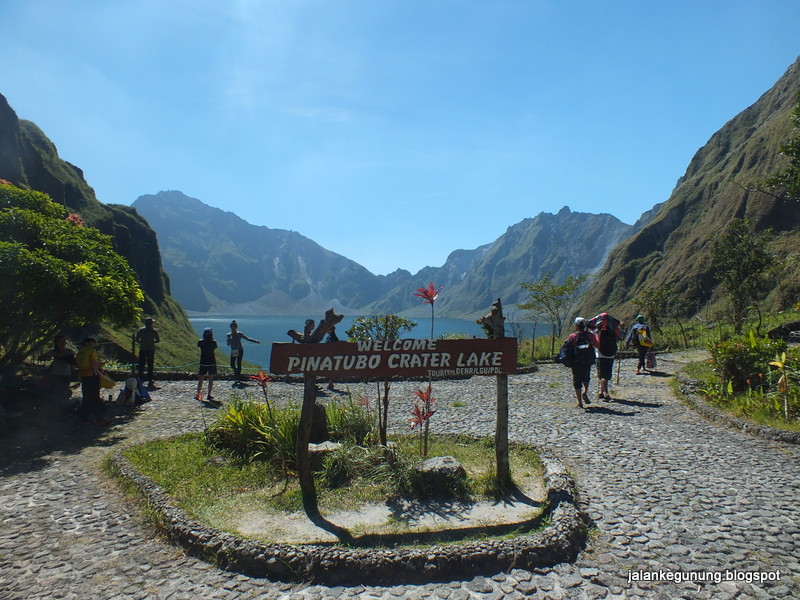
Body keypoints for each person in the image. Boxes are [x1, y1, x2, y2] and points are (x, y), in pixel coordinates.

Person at [587, 312, 622, 402]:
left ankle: (606, 393)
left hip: (600, 355)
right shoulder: (613, 330)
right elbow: (620, 336)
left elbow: (588, 325)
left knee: (602, 375)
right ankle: (602, 392)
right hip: (611, 354)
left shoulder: (597, 330)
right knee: (606, 374)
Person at [567, 318, 599, 409]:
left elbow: (567, 348)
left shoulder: (572, 336)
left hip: (576, 362)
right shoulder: (590, 335)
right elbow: (597, 345)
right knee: (586, 377)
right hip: (587, 361)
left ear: (576, 326)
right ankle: (585, 392)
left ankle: (579, 402)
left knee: (577, 381)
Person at [75, 336, 107, 425]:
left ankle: (84, 419)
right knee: (95, 397)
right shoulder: (91, 351)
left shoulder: (79, 352)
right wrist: (101, 364)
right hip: (92, 376)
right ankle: (100, 419)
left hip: (83, 376)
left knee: (86, 398)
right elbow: (93, 365)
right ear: (90, 343)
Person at [226, 320, 260, 384]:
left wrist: (255, 341)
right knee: (232, 364)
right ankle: (236, 372)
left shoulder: (239, 333)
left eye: (234, 327)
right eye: (232, 327)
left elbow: (247, 338)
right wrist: (229, 339)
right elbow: (228, 344)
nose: (233, 328)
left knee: (239, 363)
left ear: (236, 327)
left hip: (240, 350)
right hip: (234, 350)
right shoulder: (229, 335)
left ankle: (238, 376)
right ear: (230, 327)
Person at [48, 335, 76, 403]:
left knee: (65, 392)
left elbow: (71, 361)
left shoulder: (69, 351)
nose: (62, 343)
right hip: (55, 374)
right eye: (60, 342)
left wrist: (61, 356)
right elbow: (42, 357)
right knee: (56, 392)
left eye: (64, 341)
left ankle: (64, 405)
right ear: (56, 343)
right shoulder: (53, 351)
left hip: (66, 375)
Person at [135, 317, 160, 388]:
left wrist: (142, 342)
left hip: (142, 349)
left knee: (141, 364)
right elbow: (158, 340)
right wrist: (152, 342)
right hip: (151, 350)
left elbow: (137, 340)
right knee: (150, 365)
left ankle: (140, 379)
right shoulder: (154, 331)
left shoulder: (141, 330)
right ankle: (150, 380)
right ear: (151, 323)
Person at [196, 328, 219, 405]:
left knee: (201, 378)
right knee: (211, 379)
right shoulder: (213, 342)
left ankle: (198, 393)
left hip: (203, 362)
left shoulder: (200, 342)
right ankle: (209, 394)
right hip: (212, 362)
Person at [326, 325, 339, 391]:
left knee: (331, 369)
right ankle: (330, 382)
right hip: (328, 355)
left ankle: (331, 383)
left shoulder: (333, 338)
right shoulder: (329, 337)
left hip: (332, 356)